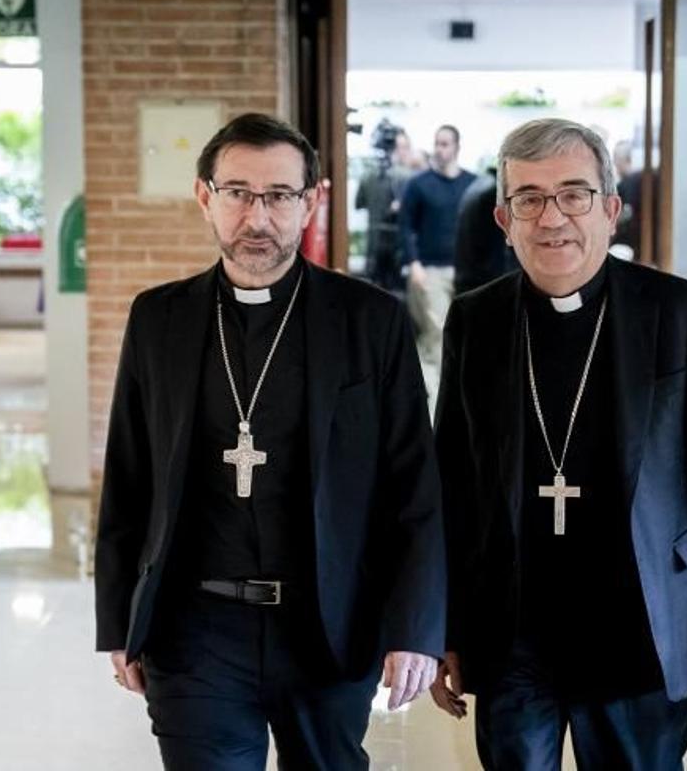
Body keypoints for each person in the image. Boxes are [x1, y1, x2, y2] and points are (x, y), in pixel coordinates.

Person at [95, 113, 446, 770]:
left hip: (329, 623)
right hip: (193, 630)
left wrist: (416, 629)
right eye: (238, 193)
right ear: (206, 198)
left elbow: (414, 489)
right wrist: (118, 619)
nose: (258, 217)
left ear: (311, 201)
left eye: (281, 196)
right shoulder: (158, 319)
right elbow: (129, 478)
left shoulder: (371, 323)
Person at [430, 118, 687, 770]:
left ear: (610, 209)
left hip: (639, 622)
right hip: (511, 629)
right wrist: (440, 628)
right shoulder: (474, 319)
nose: (551, 216)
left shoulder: (674, 311)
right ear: (504, 220)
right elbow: (449, 485)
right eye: (528, 198)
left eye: (573, 194)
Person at [399, 125, 477, 386]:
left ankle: (461, 387)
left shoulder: (472, 184)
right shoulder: (419, 184)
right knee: (437, 330)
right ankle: (441, 392)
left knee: (466, 332)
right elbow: (406, 226)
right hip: (430, 269)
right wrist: (414, 264)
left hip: (465, 271)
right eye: (437, 143)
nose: (440, 149)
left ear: (457, 146)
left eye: (445, 144)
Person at [355, 123, 417, 291]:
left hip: (375, 246)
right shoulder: (408, 178)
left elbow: (359, 203)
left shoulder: (368, 175)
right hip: (399, 249)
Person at [452, 166, 518, 296]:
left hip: (470, 285)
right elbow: (499, 257)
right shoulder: (493, 194)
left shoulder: (479, 185)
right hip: (488, 289)